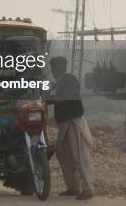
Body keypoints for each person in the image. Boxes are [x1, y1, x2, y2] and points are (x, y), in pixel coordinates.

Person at [50, 57, 94, 200]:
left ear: (55, 69)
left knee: (78, 156)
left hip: (73, 122)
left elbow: (66, 103)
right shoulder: (61, 82)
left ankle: (87, 188)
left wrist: (54, 98)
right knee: (64, 155)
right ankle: (73, 187)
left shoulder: (68, 80)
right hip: (66, 122)